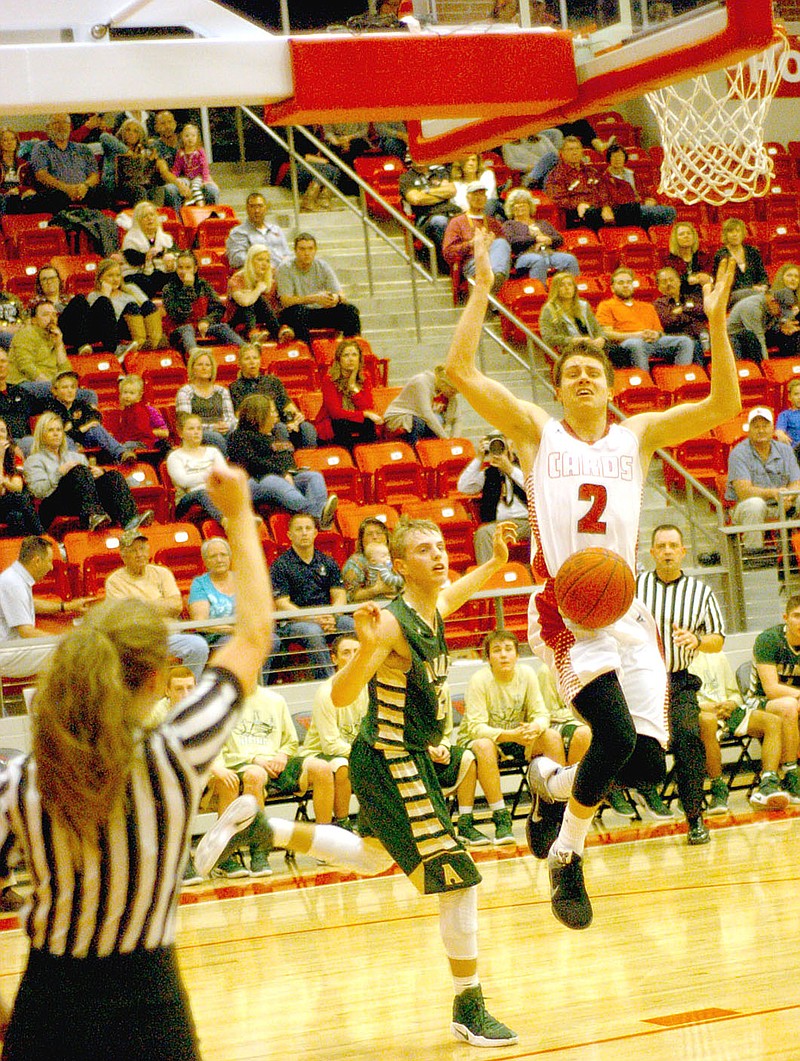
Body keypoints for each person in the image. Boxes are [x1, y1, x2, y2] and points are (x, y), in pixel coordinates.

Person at [444, 228, 740, 929]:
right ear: (559, 385)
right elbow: (460, 372)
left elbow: (722, 406)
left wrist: (719, 325)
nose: (583, 378)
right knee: (608, 736)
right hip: (564, 610)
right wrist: (483, 290)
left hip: (626, 611)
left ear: (610, 387)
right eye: (572, 371)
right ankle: (567, 859)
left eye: (595, 373)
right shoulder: (536, 431)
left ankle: (550, 786)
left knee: (641, 766)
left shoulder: (635, 436)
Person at [0, 463, 274, 1059]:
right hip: (151, 1012)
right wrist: (239, 514)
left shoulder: (17, 782)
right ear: (156, 677)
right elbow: (252, 637)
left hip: (48, 1008)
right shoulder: (173, 758)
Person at [323, 516, 519, 1045]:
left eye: (440, 547)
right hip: (390, 759)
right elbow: (341, 698)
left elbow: (454, 594)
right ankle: (469, 1005)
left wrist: (496, 565)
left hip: (401, 754)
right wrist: (365, 648)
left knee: (370, 857)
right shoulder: (389, 624)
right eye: (424, 551)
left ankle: (263, 832)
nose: (438, 556)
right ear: (401, 566)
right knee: (460, 882)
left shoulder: (428, 606)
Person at [636, 525, 727, 845]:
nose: (667, 551)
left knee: (689, 737)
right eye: (661, 545)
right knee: (639, 740)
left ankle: (694, 818)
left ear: (683, 551)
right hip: (640, 681)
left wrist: (697, 640)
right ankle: (643, 792)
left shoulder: (701, 592)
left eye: (673, 545)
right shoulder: (636, 587)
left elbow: (718, 640)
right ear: (652, 552)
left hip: (678, 680)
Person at [456, 629, 590, 845]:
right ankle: (501, 818)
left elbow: (541, 714)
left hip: (519, 738)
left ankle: (557, 808)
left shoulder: (527, 674)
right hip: (488, 742)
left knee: (550, 736)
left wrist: (534, 728)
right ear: (488, 657)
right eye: (497, 651)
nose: (503, 655)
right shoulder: (479, 680)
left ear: (517, 655)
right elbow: (476, 728)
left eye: (508, 649)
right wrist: (510, 735)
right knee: (483, 745)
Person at [204, 684, 342, 876]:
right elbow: (223, 752)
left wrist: (283, 755)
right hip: (243, 764)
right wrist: (254, 759)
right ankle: (259, 852)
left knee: (322, 768)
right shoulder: (221, 705)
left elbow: (291, 741)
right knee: (256, 774)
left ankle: (324, 844)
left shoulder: (275, 700)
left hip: (277, 762)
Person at [691, 648, 793, 813]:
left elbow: (735, 694)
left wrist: (731, 703)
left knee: (772, 722)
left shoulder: (716, 653)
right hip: (700, 713)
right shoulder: (672, 660)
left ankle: (768, 784)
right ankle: (718, 788)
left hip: (728, 711)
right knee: (708, 721)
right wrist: (705, 707)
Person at [104, 528, 211, 680]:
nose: (139, 554)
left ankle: (185, 691)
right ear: (123, 555)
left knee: (198, 646)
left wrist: (139, 604)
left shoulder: (162, 573)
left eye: (142, 548)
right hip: (138, 641)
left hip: (170, 636)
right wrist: (160, 604)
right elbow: (125, 616)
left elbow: (176, 606)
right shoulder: (114, 581)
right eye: (133, 551)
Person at [23, 412, 151, 533]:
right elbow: (39, 492)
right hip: (54, 503)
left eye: (58, 430)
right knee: (78, 471)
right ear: (41, 434)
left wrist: (98, 474)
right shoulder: (34, 460)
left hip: (81, 502)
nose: (56, 434)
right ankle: (92, 516)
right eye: (50, 430)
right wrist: (59, 473)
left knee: (112, 476)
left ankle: (130, 520)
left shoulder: (75, 456)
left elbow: (88, 485)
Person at [226, 394, 337, 525]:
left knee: (313, 476)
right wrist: (282, 473)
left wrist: (291, 472)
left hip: (284, 477)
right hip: (253, 481)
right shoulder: (238, 436)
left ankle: (318, 517)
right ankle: (312, 513)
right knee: (273, 480)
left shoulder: (275, 435)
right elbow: (251, 462)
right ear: (258, 414)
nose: (275, 414)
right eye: (272, 411)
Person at [270, 512, 354, 680]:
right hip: (294, 622)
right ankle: (329, 684)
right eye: (299, 529)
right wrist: (314, 618)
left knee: (354, 625)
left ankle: (361, 679)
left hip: (327, 617)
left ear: (315, 533)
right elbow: (282, 603)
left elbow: (339, 596)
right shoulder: (280, 565)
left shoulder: (328, 562)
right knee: (313, 632)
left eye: (308, 528)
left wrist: (332, 616)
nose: (304, 533)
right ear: (289, 535)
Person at [0, 536, 91, 678]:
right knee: (75, 650)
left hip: (11, 648)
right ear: (36, 561)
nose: (51, 567)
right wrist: (62, 640)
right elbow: (27, 632)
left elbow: (31, 603)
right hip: (6, 652)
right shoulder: (13, 583)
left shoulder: (15, 576)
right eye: (49, 561)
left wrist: (66, 606)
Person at [301, 633, 367, 828]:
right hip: (319, 755)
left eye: (357, 652)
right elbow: (330, 745)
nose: (352, 656)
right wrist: (363, 753)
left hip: (353, 752)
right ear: (334, 658)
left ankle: (376, 825)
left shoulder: (370, 687)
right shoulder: (326, 693)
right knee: (341, 765)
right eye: (346, 653)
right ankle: (343, 823)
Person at [746, 595, 800, 802]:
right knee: (788, 705)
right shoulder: (769, 640)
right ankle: (790, 773)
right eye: (796, 616)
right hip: (758, 702)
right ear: (785, 617)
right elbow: (771, 689)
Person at [725, 406, 800, 553]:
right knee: (755, 505)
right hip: (746, 507)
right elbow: (744, 492)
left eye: (765, 426)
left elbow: (796, 482)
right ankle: (755, 559)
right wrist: (774, 494)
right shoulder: (738, 453)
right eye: (756, 426)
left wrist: (787, 497)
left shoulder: (785, 450)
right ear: (748, 430)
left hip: (783, 504)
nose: (761, 430)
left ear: (773, 428)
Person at [595, 266, 695, 371]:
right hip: (627, 342)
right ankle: (644, 381)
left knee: (685, 341)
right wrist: (636, 335)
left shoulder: (647, 306)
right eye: (621, 283)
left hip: (653, 342)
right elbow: (606, 333)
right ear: (612, 288)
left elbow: (660, 332)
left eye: (628, 282)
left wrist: (656, 334)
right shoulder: (606, 306)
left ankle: (681, 377)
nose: (625, 285)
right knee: (636, 344)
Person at [456, 432, 530, 564]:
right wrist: (479, 458)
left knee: (543, 529)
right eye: (494, 443)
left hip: (527, 521)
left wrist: (510, 470)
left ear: (511, 445)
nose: (498, 446)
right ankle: (489, 577)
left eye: (501, 441)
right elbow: (463, 487)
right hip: (498, 525)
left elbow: (534, 486)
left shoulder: (525, 468)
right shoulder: (488, 474)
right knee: (483, 533)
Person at [275, 233, 361, 344]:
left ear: (315, 250)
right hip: (296, 314)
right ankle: (307, 352)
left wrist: (336, 298)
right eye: (302, 249)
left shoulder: (323, 266)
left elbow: (341, 294)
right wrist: (314, 298)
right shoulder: (285, 268)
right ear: (295, 251)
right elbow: (286, 301)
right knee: (298, 312)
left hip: (319, 312)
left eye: (310, 249)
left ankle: (351, 349)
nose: (307, 253)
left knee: (350, 311)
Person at [41, 369, 140, 465]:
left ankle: (122, 454)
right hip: (63, 445)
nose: (70, 391)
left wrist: (79, 428)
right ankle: (78, 465)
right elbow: (61, 432)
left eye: (73, 387)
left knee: (95, 428)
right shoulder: (51, 409)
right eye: (65, 387)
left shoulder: (80, 404)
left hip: (82, 440)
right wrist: (83, 427)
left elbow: (96, 417)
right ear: (54, 391)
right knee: (65, 437)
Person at [228, 343, 316, 449]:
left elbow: (287, 406)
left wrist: (295, 420)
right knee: (280, 428)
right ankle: (284, 461)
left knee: (307, 427)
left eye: (255, 358)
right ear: (240, 363)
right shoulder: (235, 387)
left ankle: (308, 461)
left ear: (260, 360)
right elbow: (240, 416)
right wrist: (271, 421)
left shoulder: (272, 381)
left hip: (282, 422)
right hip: (260, 428)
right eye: (247, 359)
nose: (252, 362)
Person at [162, 251, 243, 356]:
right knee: (187, 329)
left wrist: (206, 321)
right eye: (180, 268)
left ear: (195, 269)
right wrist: (188, 288)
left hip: (201, 326)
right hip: (179, 329)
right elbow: (179, 316)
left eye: (188, 267)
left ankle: (245, 348)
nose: (183, 272)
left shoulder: (203, 285)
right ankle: (196, 355)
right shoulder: (169, 289)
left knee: (222, 327)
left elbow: (218, 309)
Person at [28, 113, 105, 213]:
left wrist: (84, 186)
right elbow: (41, 175)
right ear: (47, 128)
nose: (61, 126)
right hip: (57, 193)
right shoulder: (41, 148)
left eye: (65, 123)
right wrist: (66, 189)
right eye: (56, 123)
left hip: (83, 191)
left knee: (103, 191)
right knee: (57, 196)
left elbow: (94, 175)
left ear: (70, 127)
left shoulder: (83, 149)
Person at [85, 258, 165, 354]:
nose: (115, 279)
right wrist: (105, 294)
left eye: (118, 275)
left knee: (148, 305)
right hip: (117, 330)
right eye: (110, 275)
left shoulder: (130, 289)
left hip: (139, 324)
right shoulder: (94, 296)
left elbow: (147, 308)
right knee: (131, 306)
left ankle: (155, 342)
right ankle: (140, 344)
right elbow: (101, 319)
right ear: (100, 278)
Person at [501, 189, 579, 283]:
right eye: (516, 203)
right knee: (538, 260)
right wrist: (535, 239)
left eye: (524, 203)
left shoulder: (542, 223)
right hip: (525, 255)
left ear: (530, 206)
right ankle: (540, 292)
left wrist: (548, 240)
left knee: (570, 259)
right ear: (511, 208)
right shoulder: (509, 225)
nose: (521, 205)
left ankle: (573, 292)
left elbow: (559, 238)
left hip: (548, 253)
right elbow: (513, 241)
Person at [442, 183, 511, 288]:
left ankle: (495, 280)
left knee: (501, 243)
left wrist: (491, 243)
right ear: (467, 198)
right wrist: (471, 244)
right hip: (473, 261)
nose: (479, 198)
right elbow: (448, 253)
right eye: (475, 195)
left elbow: (502, 250)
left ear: (486, 198)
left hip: (494, 260)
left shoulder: (494, 223)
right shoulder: (457, 222)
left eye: (482, 195)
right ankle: (494, 282)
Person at [319, 338, 383, 448]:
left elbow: (367, 407)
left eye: (354, 355)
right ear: (339, 360)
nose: (350, 359)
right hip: (334, 423)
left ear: (359, 359)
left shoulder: (365, 377)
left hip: (355, 420)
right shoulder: (329, 380)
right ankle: (348, 459)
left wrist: (353, 387)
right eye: (346, 355)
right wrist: (364, 414)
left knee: (368, 423)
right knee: (342, 423)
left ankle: (368, 456)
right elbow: (336, 413)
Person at [165, 412, 227, 522]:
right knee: (203, 492)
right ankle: (225, 522)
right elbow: (183, 481)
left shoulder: (213, 451)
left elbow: (224, 475)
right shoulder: (175, 457)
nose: (196, 432)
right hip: (188, 498)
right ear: (180, 433)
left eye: (199, 429)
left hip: (216, 491)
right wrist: (211, 473)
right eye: (191, 429)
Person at [174, 347, 237, 454]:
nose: (204, 368)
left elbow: (230, 417)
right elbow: (185, 423)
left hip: (223, 430)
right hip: (198, 432)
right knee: (216, 437)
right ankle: (225, 467)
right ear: (192, 368)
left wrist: (226, 425)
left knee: (240, 436)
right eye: (200, 365)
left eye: (208, 365)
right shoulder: (185, 392)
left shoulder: (222, 391)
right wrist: (213, 427)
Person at [544, 136, 613, 231]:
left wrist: (605, 206)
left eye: (577, 149)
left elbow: (603, 190)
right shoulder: (556, 175)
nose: (575, 152)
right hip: (573, 212)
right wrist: (579, 204)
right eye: (570, 149)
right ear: (562, 153)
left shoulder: (591, 172)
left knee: (630, 208)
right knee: (592, 212)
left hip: (598, 206)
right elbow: (558, 199)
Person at [398, 162, 460, 268]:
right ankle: (451, 261)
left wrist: (425, 192)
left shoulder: (439, 172)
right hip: (426, 218)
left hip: (452, 213)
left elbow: (451, 191)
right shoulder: (407, 178)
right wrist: (441, 195)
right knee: (440, 221)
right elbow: (416, 199)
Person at [601, 144, 676, 229]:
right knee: (669, 212)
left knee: (666, 213)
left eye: (620, 156)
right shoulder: (606, 178)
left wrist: (649, 200)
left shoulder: (632, 174)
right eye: (614, 156)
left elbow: (645, 193)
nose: (617, 159)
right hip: (625, 211)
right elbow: (614, 199)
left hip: (640, 207)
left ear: (624, 158)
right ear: (609, 159)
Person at [226, 245, 290, 344]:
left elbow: (276, 307)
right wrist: (258, 289)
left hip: (263, 317)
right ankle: (274, 331)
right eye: (260, 260)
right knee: (255, 299)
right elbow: (245, 302)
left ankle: (259, 333)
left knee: (257, 299)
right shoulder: (237, 279)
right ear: (250, 261)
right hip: (238, 319)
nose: (264, 264)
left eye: (267, 261)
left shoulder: (271, 280)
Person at [538, 272, 609, 359]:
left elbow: (597, 327)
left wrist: (601, 338)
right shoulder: (549, 309)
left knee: (620, 352)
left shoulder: (583, 305)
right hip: (569, 349)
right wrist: (574, 341)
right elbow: (548, 337)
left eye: (570, 285)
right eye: (562, 285)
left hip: (591, 346)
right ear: (556, 289)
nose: (567, 288)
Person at [383, 365, 459, 446]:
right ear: (443, 382)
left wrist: (455, 442)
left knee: (436, 422)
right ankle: (412, 452)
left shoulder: (446, 393)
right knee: (420, 423)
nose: (454, 394)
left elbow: (457, 419)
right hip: (399, 417)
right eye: (453, 390)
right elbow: (427, 414)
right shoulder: (421, 381)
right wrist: (446, 440)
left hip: (421, 419)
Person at [120, 200, 178, 298]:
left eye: (152, 215)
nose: (149, 218)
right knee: (144, 281)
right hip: (137, 273)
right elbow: (133, 260)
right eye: (145, 216)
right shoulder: (131, 239)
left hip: (160, 272)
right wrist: (147, 255)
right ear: (138, 220)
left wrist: (171, 261)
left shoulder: (166, 238)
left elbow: (176, 254)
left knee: (180, 274)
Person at [726, 288, 799, 363]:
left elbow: (776, 322)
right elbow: (758, 336)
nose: (781, 314)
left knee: (790, 335)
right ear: (773, 302)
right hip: (736, 336)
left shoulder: (771, 307)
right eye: (781, 310)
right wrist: (766, 363)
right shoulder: (753, 307)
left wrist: (783, 326)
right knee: (751, 337)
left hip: (757, 333)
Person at [342, 516, 404, 603]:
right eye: (369, 534)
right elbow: (348, 597)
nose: (375, 537)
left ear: (387, 537)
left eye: (379, 533)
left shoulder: (397, 557)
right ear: (362, 540)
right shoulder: (355, 563)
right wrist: (375, 590)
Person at [653, 266, 707, 364]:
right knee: (694, 344)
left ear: (679, 282)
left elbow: (704, 311)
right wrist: (691, 315)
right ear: (659, 286)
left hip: (699, 336)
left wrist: (682, 309)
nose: (669, 284)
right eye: (664, 282)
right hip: (676, 338)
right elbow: (668, 321)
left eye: (671, 280)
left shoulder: (691, 298)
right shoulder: (659, 304)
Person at [226, 192, 292, 271]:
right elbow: (236, 259)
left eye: (260, 206)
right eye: (252, 206)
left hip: (281, 273)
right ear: (247, 209)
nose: (257, 210)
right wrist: (263, 264)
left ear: (266, 208)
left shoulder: (276, 229)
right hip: (256, 274)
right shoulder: (238, 232)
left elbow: (287, 254)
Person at [0, 418, 43, 535]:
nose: (0, 434)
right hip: (9, 501)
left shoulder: (13, 455)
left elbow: (17, 487)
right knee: (20, 498)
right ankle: (43, 537)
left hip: (10, 505)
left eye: (2, 431)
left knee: (16, 517)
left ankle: (28, 549)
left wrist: (4, 482)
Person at [713, 217, 769, 303]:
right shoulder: (721, 255)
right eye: (731, 231)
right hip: (732, 294)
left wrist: (763, 286)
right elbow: (720, 282)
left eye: (737, 231)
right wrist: (752, 288)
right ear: (725, 235)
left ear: (743, 233)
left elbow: (762, 275)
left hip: (755, 292)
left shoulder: (753, 252)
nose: (734, 234)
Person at [115, 373, 170, 454]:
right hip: (132, 441)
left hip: (145, 442)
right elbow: (123, 430)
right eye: (125, 392)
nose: (127, 396)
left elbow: (141, 431)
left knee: (127, 446)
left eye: (131, 393)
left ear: (140, 395)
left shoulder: (143, 410)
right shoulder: (125, 411)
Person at [665, 221, 714, 301]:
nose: (686, 236)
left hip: (703, 294)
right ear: (675, 239)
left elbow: (712, 275)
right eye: (682, 234)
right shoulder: (669, 259)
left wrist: (708, 278)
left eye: (689, 233)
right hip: (680, 296)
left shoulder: (703, 256)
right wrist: (690, 279)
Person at [171, 123, 219, 205]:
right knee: (182, 183)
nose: (190, 138)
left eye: (193, 136)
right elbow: (177, 167)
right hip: (187, 177)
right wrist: (174, 177)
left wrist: (205, 179)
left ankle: (200, 203)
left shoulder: (199, 151)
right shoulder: (181, 152)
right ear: (182, 138)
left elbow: (204, 166)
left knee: (195, 186)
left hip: (198, 176)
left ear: (197, 138)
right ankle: (188, 200)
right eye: (187, 136)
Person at [0, 127, 36, 214]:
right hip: (3, 198)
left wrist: (21, 190)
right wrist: (7, 192)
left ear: (17, 142)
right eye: (5, 140)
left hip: (21, 196)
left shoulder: (24, 164)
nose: (9, 142)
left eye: (12, 139)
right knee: (12, 200)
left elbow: (31, 185)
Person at [776, 376, 800, 458]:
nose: (799, 397)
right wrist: (781, 435)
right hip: (796, 453)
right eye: (796, 394)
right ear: (790, 397)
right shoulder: (785, 415)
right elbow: (779, 431)